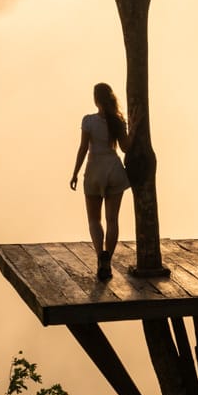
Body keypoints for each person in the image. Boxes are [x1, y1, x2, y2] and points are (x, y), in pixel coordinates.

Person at [70, 82, 129, 280]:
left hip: (94, 170)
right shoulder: (118, 121)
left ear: (96, 100)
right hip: (113, 169)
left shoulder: (88, 121)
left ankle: (100, 257)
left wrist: (75, 173)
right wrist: (134, 128)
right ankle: (108, 260)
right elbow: (126, 148)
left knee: (94, 220)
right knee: (112, 220)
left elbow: (83, 148)